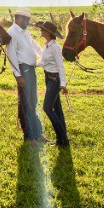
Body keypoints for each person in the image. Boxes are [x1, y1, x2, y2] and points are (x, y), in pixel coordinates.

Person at [7, 6, 44, 144]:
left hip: (31, 70)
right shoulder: (12, 33)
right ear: (19, 18)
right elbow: (11, 55)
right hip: (23, 71)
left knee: (33, 102)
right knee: (25, 103)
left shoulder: (25, 32)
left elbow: (35, 47)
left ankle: (38, 133)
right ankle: (29, 136)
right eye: (26, 19)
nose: (28, 22)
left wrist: (45, 58)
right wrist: (18, 75)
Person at [38, 20, 70, 148]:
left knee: (47, 108)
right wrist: (30, 64)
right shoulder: (46, 46)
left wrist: (63, 84)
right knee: (57, 110)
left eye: (43, 29)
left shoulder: (55, 47)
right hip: (48, 78)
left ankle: (63, 138)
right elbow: (42, 61)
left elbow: (61, 67)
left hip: (54, 80)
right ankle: (62, 140)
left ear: (48, 32)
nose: (41, 30)